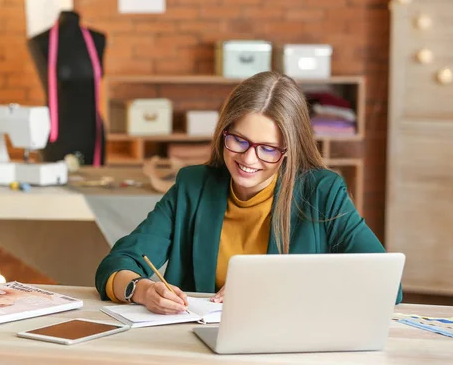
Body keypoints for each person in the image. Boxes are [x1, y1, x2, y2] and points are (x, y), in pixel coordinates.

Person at [95, 71, 403, 315]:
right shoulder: (193, 185)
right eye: (239, 140)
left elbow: (388, 285)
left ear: (289, 151)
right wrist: (141, 289)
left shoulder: (323, 191)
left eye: (267, 148)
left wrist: (278, 287)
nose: (248, 159)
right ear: (223, 133)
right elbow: (118, 262)